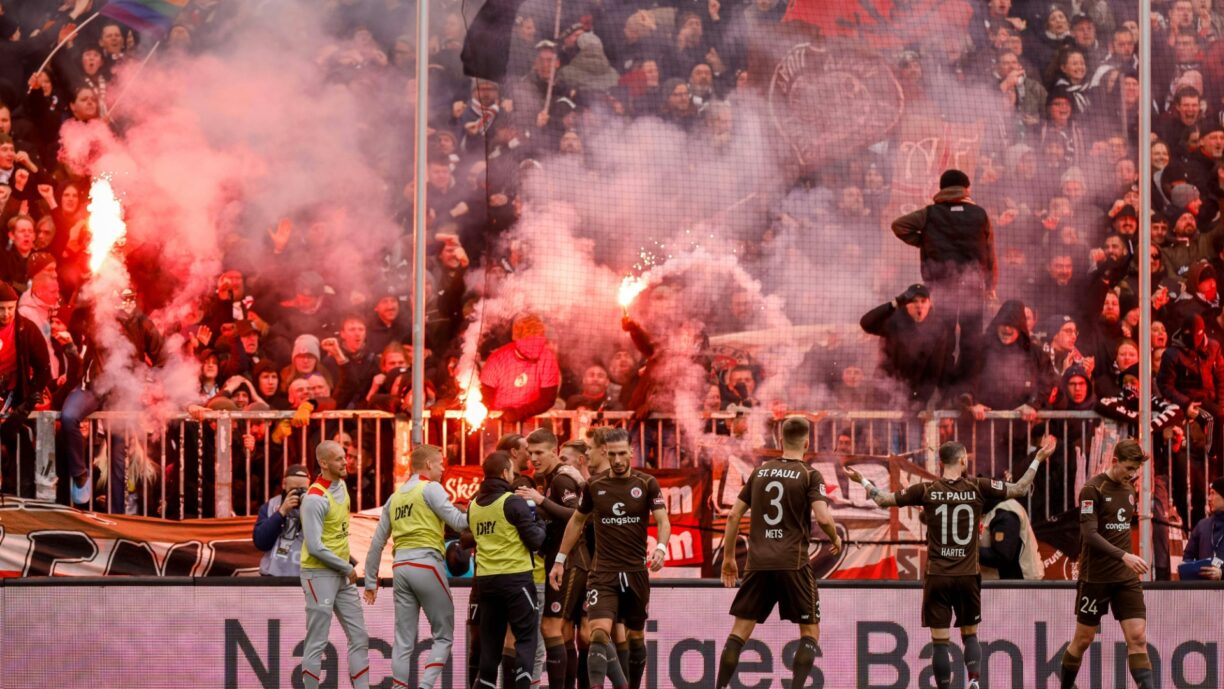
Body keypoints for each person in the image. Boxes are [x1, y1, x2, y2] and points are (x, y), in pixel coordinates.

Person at [847, 437, 1055, 689]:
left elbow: (882, 499)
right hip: (967, 576)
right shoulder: (978, 487)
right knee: (970, 635)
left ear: (940, 462)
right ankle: (974, 681)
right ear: (963, 460)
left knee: (940, 642)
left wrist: (863, 481)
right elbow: (1021, 488)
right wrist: (1038, 459)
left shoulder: (926, 490)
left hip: (938, 576)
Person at [715, 415, 843, 689]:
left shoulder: (759, 473)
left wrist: (728, 559)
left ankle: (719, 688)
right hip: (793, 563)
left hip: (758, 563)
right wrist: (835, 537)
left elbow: (734, 516)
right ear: (807, 442)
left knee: (739, 633)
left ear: (780, 440)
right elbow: (822, 517)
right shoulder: (810, 474)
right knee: (809, 633)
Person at [549, 427, 670, 689]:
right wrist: (559, 560)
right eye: (612, 455)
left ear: (631, 452)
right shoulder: (594, 485)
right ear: (606, 452)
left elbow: (663, 520)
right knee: (598, 633)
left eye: (622, 454)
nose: (617, 461)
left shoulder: (646, 483)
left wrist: (661, 547)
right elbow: (576, 522)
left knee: (636, 637)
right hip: (603, 573)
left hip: (636, 572)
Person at [363, 444, 469, 689]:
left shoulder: (395, 497)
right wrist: (483, 513)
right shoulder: (431, 488)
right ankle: (425, 686)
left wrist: (370, 581)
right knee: (443, 635)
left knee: (403, 641)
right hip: (427, 564)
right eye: (441, 463)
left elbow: (377, 542)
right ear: (429, 464)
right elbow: (458, 521)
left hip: (400, 568)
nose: (444, 469)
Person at [1057, 439, 1154, 689]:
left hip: (1126, 578)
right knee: (1083, 639)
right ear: (1114, 462)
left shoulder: (1129, 490)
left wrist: (1126, 560)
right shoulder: (1093, 489)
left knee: (1138, 637)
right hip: (1095, 578)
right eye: (1128, 468)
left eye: (1135, 470)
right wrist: (1124, 555)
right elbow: (1089, 535)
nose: (1132, 475)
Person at [890, 169, 997, 380]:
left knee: (943, 335)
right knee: (971, 337)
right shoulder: (981, 215)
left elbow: (898, 225)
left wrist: (924, 241)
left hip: (941, 285)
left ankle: (942, 384)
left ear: (942, 189)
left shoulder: (929, 213)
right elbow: (990, 251)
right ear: (967, 188)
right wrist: (991, 285)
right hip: (972, 285)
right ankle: (966, 387)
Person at [513, 427, 586, 689]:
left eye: (540, 452)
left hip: (568, 563)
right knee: (565, 632)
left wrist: (541, 500)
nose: (533, 458)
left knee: (551, 628)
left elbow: (577, 516)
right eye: (530, 453)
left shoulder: (560, 481)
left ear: (554, 452)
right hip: (563, 561)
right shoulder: (552, 478)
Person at [469, 450, 546, 689]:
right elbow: (535, 541)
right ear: (505, 472)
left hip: (486, 584)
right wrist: (541, 523)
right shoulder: (511, 502)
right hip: (516, 580)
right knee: (526, 640)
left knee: (490, 647)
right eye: (512, 471)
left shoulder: (473, 506)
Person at [299, 440, 370, 689]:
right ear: (323, 463)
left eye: (345, 457)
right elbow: (315, 546)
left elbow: (337, 534)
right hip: (318, 574)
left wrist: (346, 564)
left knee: (359, 636)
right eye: (340, 459)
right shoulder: (314, 498)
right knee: (317, 641)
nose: (346, 462)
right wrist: (347, 567)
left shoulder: (341, 486)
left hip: (340, 572)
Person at [0, 282, 50, 499]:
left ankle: (19, 495)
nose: (6, 314)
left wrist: (30, 398)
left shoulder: (25, 328)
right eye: (0, 309)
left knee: (18, 441)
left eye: (10, 308)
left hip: (15, 396)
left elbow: (44, 367)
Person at [251, 464, 311, 576]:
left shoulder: (317, 506)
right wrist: (281, 513)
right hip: (273, 576)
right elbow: (260, 542)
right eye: (293, 489)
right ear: (284, 484)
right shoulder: (271, 506)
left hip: (306, 577)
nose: (297, 494)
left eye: (302, 490)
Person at [1182, 478, 1224, 580]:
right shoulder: (1202, 525)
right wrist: (1194, 571)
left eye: (1213, 493)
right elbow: (1187, 558)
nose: (1209, 498)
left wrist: (1222, 573)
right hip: (1203, 590)